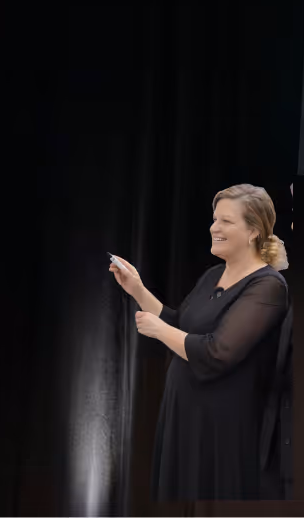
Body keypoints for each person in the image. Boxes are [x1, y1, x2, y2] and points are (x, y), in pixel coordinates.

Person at [109, 184, 291, 501]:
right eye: (213, 218)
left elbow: (217, 352)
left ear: (253, 232)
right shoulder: (211, 276)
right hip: (184, 418)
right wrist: (137, 290)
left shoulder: (268, 287)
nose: (213, 227)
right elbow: (180, 324)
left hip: (220, 430)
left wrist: (159, 331)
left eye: (225, 221)